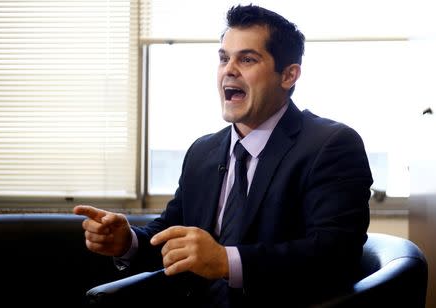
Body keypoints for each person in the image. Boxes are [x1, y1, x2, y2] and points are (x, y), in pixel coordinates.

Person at [74, 4, 373, 307]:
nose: (229, 69)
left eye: (247, 58)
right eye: (223, 58)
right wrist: (128, 242)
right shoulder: (202, 151)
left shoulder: (331, 145)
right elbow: (173, 234)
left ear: (288, 75)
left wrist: (226, 261)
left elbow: (335, 254)